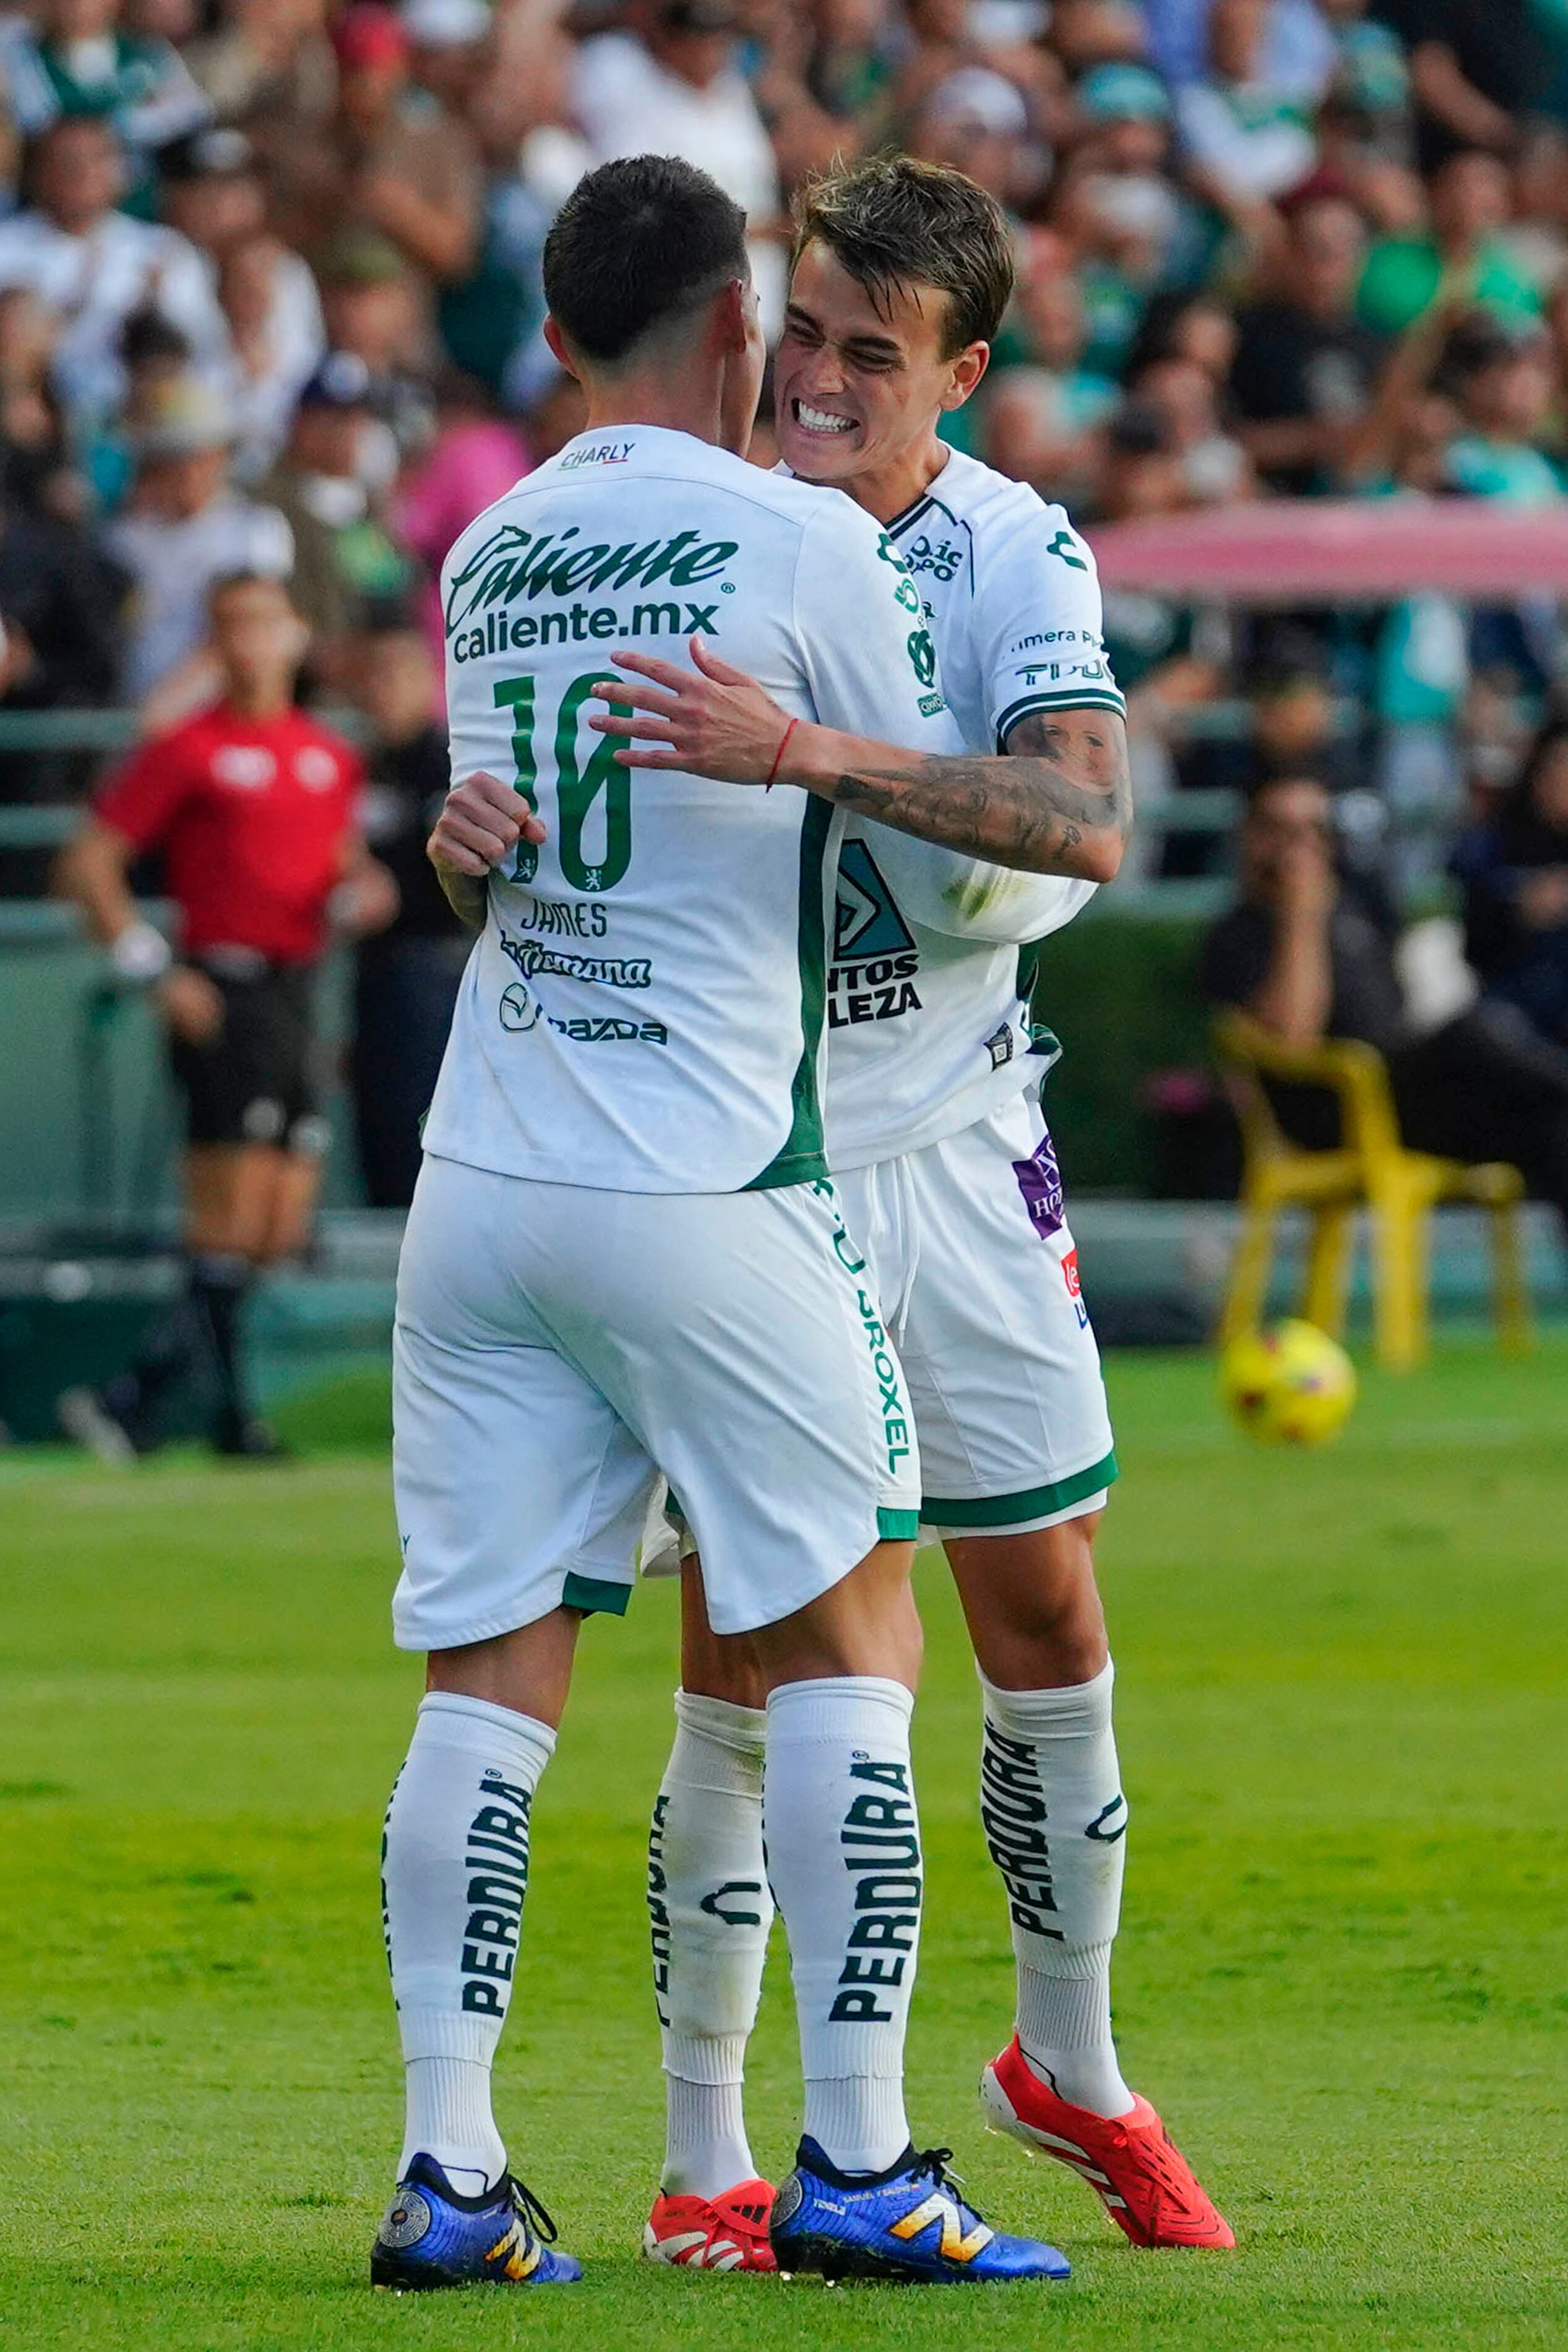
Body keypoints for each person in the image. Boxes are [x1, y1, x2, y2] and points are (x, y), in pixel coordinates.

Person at [373, 152, 1070, 2293]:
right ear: (737, 319)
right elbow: (958, 854)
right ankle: (856, 2162)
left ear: (565, 329)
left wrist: (452, 861)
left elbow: (503, 848)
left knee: (488, 1675)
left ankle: (451, 2178)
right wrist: (870, 798)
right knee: (855, 1625)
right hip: (708, 1173)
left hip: (484, 1180)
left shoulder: (486, 548)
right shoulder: (796, 534)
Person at [593, 154, 1233, 2268]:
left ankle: (1072, 2067)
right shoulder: (686, 530)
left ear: (958, 373)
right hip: (742, 1153)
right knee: (745, 1648)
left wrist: (817, 755)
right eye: (803, 339)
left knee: (1040, 1606)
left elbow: (1074, 815)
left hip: (952, 1139)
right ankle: (709, 2158)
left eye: (875, 357)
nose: (820, 386)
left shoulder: (1006, 548)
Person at [54, 571, 395, 1458]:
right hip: (224, 989)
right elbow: (90, 861)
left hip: (296, 992)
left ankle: (135, 1398)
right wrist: (155, 970)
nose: (250, 644)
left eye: (264, 624)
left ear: (293, 637)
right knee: (229, 1219)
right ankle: (230, 1419)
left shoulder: (327, 753)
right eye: (231, 626)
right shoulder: (188, 749)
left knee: (279, 1227)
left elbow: (341, 862)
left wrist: (360, 889)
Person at [1202, 773, 1568, 1251]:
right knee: (1471, 1036)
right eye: (1281, 829)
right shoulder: (1237, 933)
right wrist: (1302, 915)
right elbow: (1293, 1036)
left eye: (1316, 829)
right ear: (1250, 837)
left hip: (1406, 1101)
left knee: (1555, 1128)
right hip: (1336, 1112)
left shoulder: (1357, 910)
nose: (1301, 847)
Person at [348, 613, 467, 1208]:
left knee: (426, 1129)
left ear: (428, 678)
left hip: (439, 972)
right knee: (378, 1125)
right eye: (371, 673)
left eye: (395, 672)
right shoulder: (357, 765)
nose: (382, 687)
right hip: (373, 970)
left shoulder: (453, 761)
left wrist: (398, 894)